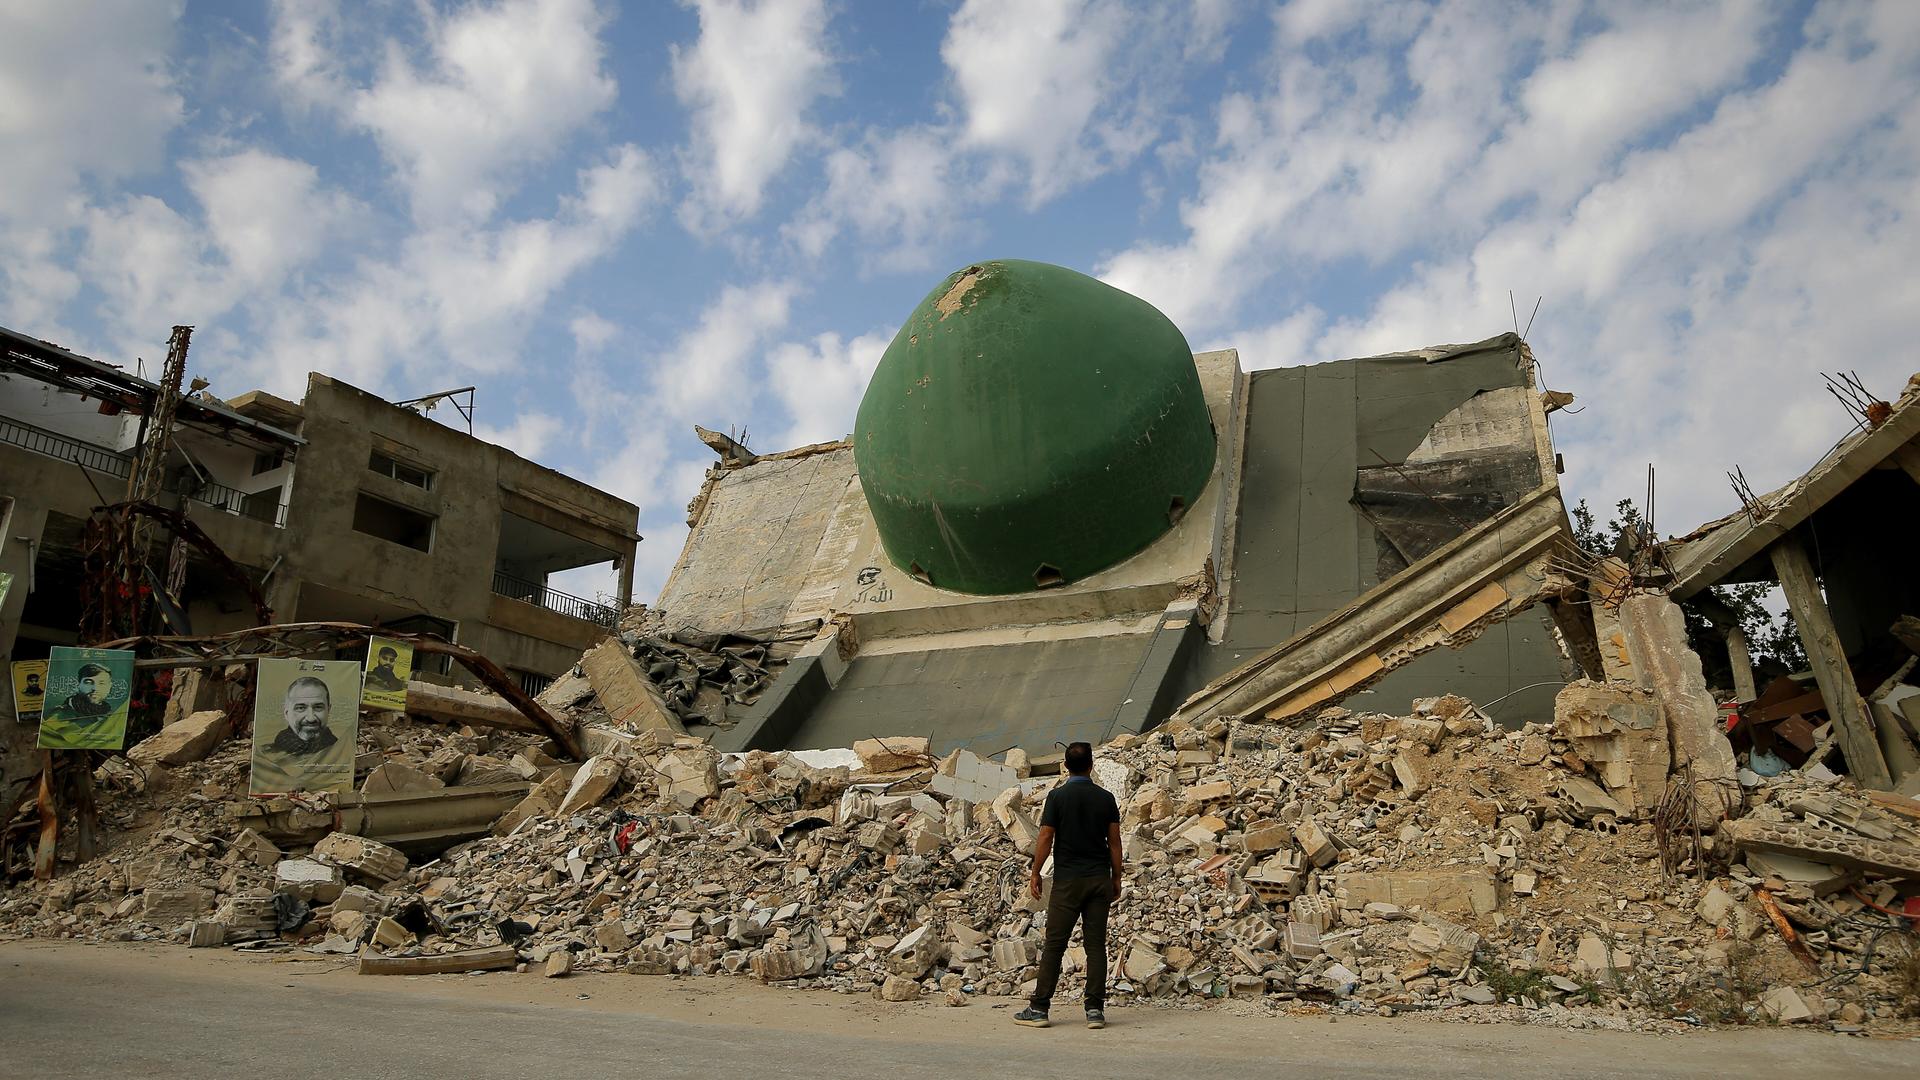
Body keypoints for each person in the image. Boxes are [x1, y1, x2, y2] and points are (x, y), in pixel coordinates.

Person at [1014, 741, 1123, 1030]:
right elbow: (1115, 842)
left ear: (1066, 765)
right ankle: (1095, 1011)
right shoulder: (1106, 799)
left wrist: (1035, 872)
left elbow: (1046, 838)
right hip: (1098, 879)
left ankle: (1039, 1009)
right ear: (1091, 765)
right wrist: (1116, 877)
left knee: (1055, 945)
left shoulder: (1057, 797)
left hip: (1067, 882)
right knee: (1096, 946)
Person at [252, 675, 349, 794]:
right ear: (286, 713)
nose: (310, 718)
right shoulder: (266, 756)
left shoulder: (343, 755)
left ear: (329, 710)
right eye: (300, 708)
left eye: (318, 707)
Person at [38, 662, 125, 749]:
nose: (95, 688)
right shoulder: (56, 715)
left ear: (109, 687)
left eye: (101, 683)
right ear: (78, 684)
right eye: (88, 682)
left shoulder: (114, 717)